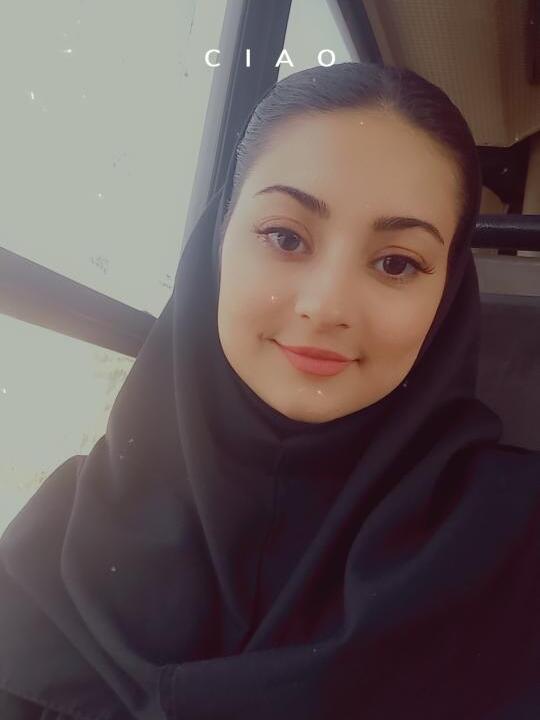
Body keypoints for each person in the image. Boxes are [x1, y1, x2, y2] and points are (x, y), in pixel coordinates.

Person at [1, 61, 539, 720]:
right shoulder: (56, 544)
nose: (326, 305)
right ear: (218, 244)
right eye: (285, 237)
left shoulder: (518, 546)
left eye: (397, 263)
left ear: (447, 295)